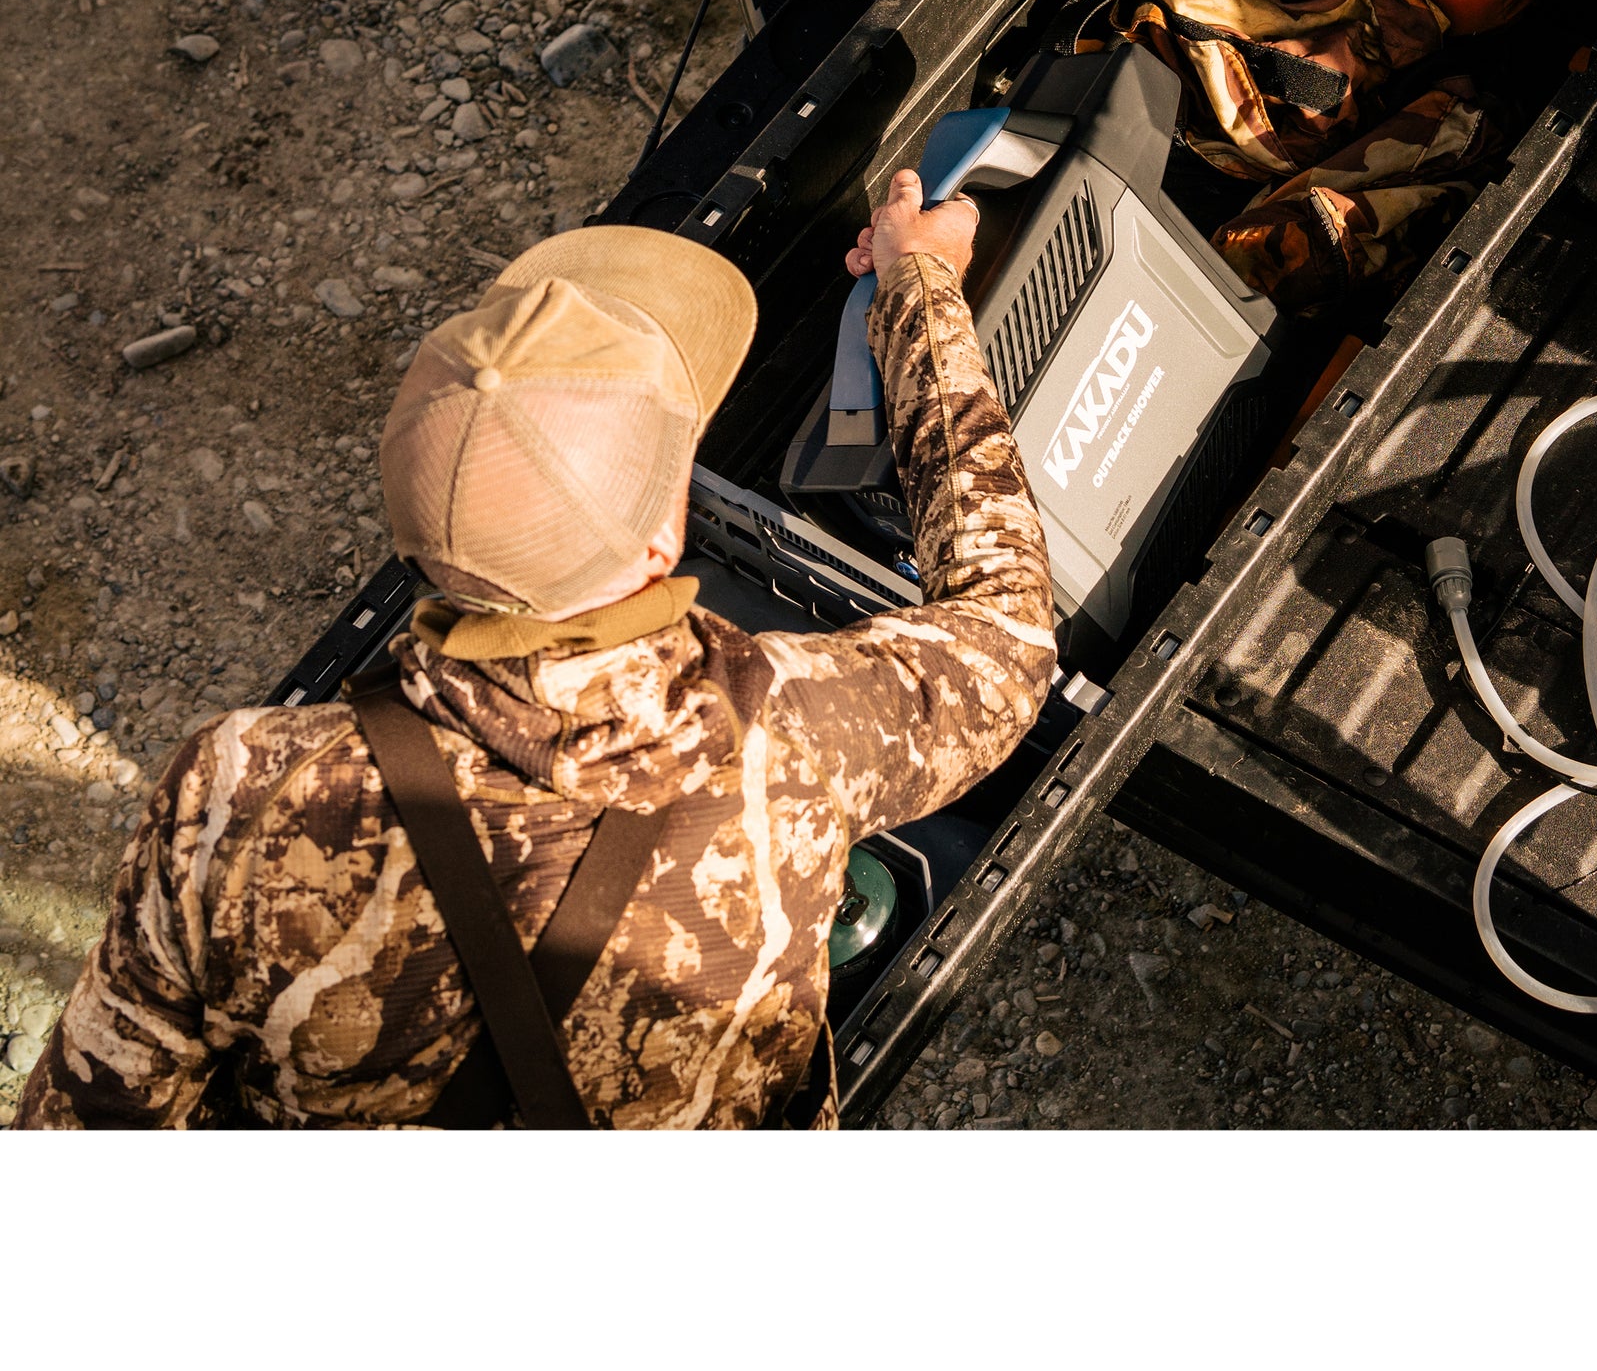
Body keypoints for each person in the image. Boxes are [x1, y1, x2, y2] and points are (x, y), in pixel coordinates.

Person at [13, 170, 1055, 1128]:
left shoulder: (238, 793)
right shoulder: (791, 733)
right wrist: (917, 285)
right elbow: (1006, 628)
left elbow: (89, 1133)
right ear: (664, 536)